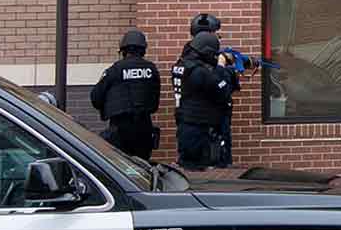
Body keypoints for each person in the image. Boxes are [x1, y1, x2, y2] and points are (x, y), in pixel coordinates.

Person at [89, 29, 162, 159]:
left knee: (121, 166)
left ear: (123, 50)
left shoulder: (115, 69)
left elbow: (96, 97)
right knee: (142, 165)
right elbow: (155, 102)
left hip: (120, 127)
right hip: (144, 127)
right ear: (143, 50)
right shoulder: (151, 69)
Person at [176, 28, 240, 172]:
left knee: (189, 168)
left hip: (186, 126)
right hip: (199, 130)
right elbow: (223, 91)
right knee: (201, 174)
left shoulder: (183, 64)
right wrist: (221, 66)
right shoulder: (200, 72)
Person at [172, 13, 223, 168]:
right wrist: (222, 69)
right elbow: (220, 90)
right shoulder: (198, 69)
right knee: (196, 168)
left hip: (186, 120)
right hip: (197, 123)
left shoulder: (184, 62)